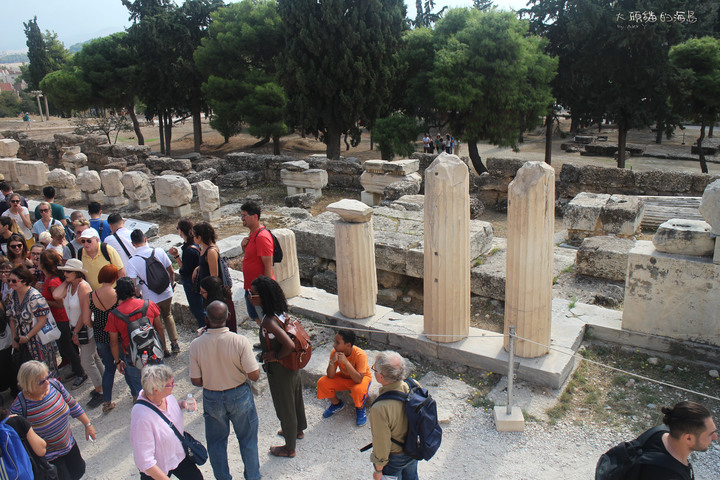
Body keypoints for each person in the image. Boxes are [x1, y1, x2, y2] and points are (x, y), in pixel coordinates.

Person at [189, 300, 261, 480]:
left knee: (216, 443)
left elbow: (196, 380)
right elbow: (254, 375)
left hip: (212, 396)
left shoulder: (196, 344)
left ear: (206, 319)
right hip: (239, 394)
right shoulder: (239, 341)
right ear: (228, 317)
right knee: (247, 439)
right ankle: (252, 476)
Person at [10, 360, 97, 480]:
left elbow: (72, 404)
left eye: (48, 377)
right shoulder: (19, 407)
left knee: (79, 470)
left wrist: (88, 424)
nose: (47, 382)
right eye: (41, 381)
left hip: (68, 444)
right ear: (28, 384)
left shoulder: (55, 385)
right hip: (49, 457)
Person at [252, 275, 307, 458]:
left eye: (254, 294)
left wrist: (275, 356)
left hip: (280, 367)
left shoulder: (269, 321)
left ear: (263, 296)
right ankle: (297, 430)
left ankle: (289, 447)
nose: (251, 297)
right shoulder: (280, 311)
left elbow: (289, 345)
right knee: (295, 397)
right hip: (292, 365)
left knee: (285, 405)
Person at [131, 364, 204, 480]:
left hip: (178, 455)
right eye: (170, 384)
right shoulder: (141, 417)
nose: (173, 385)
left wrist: (182, 404)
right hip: (158, 468)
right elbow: (145, 461)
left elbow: (166, 414)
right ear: (156, 390)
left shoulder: (165, 397)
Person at [54, 259, 104, 407]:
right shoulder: (70, 286)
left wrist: (75, 333)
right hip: (76, 327)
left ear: (77, 273)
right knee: (93, 357)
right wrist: (67, 281)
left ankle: (100, 391)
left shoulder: (83, 287)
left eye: (68, 271)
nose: (65, 273)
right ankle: (104, 383)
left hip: (84, 327)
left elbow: (85, 312)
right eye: (64, 271)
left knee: (86, 361)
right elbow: (56, 295)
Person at [105, 277, 164, 399]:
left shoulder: (114, 315)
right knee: (161, 387)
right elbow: (159, 328)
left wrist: (117, 361)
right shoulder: (149, 304)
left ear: (118, 293)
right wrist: (162, 348)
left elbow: (114, 342)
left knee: (141, 392)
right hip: (153, 352)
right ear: (134, 289)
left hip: (133, 358)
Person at [126, 228, 179, 356]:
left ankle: (164, 348)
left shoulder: (132, 261)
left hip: (150, 297)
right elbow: (171, 271)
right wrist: (171, 285)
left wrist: (138, 295)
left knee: (157, 323)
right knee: (168, 315)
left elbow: (132, 284)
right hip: (166, 292)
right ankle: (174, 343)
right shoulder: (159, 252)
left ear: (133, 244)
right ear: (145, 239)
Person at [39, 250, 86, 388]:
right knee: (66, 347)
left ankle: (80, 372)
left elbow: (59, 302)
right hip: (58, 319)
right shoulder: (50, 279)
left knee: (67, 347)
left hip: (61, 318)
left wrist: (43, 302)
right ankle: (76, 369)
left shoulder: (53, 280)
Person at [633, 401, 717, 479]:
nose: (715, 437)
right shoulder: (668, 475)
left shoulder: (658, 432)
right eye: (710, 434)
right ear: (688, 438)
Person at [369, 351, 418, 480]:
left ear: (381, 377)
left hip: (395, 456)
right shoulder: (413, 386)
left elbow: (382, 442)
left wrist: (378, 469)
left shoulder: (380, 408)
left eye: (374, 368)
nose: (373, 371)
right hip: (413, 447)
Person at [7, 264, 59, 378]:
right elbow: (11, 317)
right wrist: (14, 338)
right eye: (9, 280)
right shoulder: (13, 295)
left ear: (24, 281)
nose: (10, 283)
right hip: (21, 340)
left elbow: (42, 320)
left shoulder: (35, 296)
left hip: (38, 340)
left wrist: (27, 337)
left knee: (44, 373)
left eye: (14, 281)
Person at [317, 329, 372, 426]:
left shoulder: (360, 355)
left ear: (348, 345)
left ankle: (360, 409)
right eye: (335, 341)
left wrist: (346, 363)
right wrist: (332, 362)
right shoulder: (335, 352)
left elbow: (359, 379)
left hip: (361, 379)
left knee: (358, 390)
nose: (334, 345)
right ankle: (337, 404)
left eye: (337, 343)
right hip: (344, 377)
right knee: (322, 382)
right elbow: (330, 376)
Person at [193, 222, 236, 332]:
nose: (192, 238)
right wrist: (198, 268)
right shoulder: (203, 249)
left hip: (214, 294)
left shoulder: (211, 251)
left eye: (194, 235)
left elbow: (214, 276)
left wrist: (207, 294)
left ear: (200, 237)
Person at [89, 264, 121, 413]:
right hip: (117, 334)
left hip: (100, 335)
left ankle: (107, 401)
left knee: (109, 368)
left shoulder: (92, 295)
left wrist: (97, 326)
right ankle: (136, 395)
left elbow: (86, 320)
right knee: (124, 363)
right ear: (115, 277)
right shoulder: (117, 294)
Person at [240, 202, 274, 326]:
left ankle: (271, 343)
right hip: (250, 287)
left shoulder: (262, 237)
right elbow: (252, 258)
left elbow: (268, 265)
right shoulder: (252, 234)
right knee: (257, 317)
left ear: (254, 217)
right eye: (241, 215)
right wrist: (243, 247)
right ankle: (266, 341)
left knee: (265, 319)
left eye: (245, 215)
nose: (242, 218)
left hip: (259, 290)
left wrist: (265, 291)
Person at [169, 218, 204, 328]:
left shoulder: (189, 250)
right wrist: (177, 256)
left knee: (197, 309)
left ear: (180, 230)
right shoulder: (195, 244)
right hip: (198, 281)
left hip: (191, 284)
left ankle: (205, 329)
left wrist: (176, 257)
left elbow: (184, 270)